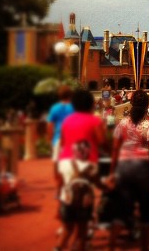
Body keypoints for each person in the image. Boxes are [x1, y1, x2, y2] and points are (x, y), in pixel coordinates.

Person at [109, 89, 149, 251]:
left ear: (132, 104)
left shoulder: (122, 123)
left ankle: (112, 246)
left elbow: (115, 149)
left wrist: (111, 173)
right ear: (147, 105)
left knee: (121, 211)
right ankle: (144, 247)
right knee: (145, 212)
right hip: (143, 169)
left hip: (124, 167)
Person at [57, 90, 106, 249]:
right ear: (91, 104)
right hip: (85, 165)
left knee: (71, 200)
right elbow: (102, 141)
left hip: (66, 164)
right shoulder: (94, 120)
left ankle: (68, 238)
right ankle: (80, 241)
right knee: (83, 210)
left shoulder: (67, 121)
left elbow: (63, 143)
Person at [47, 85, 74, 195]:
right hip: (72, 138)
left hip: (57, 138)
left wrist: (50, 139)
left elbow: (50, 125)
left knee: (57, 163)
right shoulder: (74, 107)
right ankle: (70, 185)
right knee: (71, 162)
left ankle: (59, 186)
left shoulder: (54, 108)